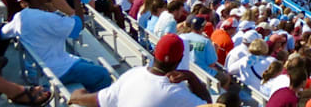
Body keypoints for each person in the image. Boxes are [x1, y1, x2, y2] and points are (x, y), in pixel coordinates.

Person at [2, 0, 112, 92]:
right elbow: (78, 26)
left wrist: (52, 9)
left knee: (88, 63)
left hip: (35, 68)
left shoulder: (20, 16)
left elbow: (3, 33)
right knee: (102, 74)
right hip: (54, 70)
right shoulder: (46, 19)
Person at [69, 33, 210, 107]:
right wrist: (191, 76)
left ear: (154, 54)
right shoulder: (177, 93)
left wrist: (77, 96)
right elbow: (210, 105)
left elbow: (92, 99)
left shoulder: (132, 74)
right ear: (179, 60)